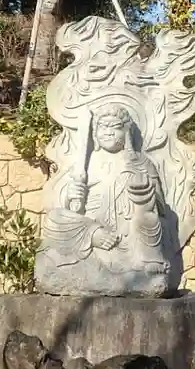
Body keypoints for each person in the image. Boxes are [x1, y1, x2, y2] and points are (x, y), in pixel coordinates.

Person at [37, 102, 174, 295]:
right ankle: (94, 235)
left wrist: (144, 197)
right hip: (92, 230)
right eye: (103, 127)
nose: (108, 132)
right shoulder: (87, 163)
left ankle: (147, 265)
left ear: (127, 132)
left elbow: (160, 207)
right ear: (95, 132)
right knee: (55, 218)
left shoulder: (141, 163)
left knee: (149, 219)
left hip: (128, 237)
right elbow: (72, 208)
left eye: (115, 127)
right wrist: (72, 196)